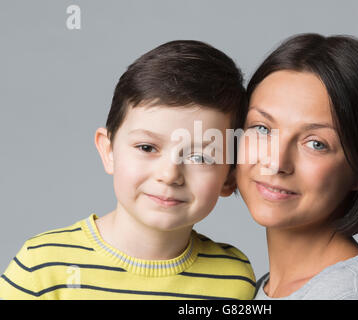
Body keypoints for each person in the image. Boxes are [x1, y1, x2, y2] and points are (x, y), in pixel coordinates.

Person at [0, 40, 255, 299]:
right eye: (147, 147)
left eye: (200, 157)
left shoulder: (234, 277)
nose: (169, 175)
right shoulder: (43, 266)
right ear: (108, 151)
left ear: (229, 178)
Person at [235, 33, 358, 299]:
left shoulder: (355, 294)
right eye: (262, 128)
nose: (276, 162)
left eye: (316, 143)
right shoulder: (261, 288)